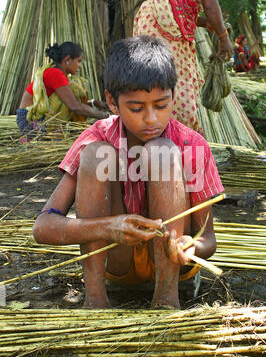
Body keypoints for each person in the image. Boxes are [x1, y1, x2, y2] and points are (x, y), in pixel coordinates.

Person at [33, 36, 224, 310]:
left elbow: (209, 239)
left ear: (173, 95)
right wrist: (109, 227)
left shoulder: (191, 145)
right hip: (117, 264)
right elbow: (43, 227)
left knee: (162, 151)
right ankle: (95, 300)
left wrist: (191, 247)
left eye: (161, 105)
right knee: (96, 154)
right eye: (136, 108)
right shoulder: (97, 136)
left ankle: (166, 300)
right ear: (112, 101)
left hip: (176, 267)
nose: (151, 119)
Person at [133, 0, 233, 132]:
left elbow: (175, 6)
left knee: (148, 84)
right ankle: (179, 142)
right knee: (178, 91)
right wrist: (223, 36)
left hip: (149, 21)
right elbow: (210, 3)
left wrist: (205, 23)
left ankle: (147, 135)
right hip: (169, 35)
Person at [16, 42, 109, 139]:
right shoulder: (55, 74)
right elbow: (74, 106)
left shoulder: (58, 73)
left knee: (73, 89)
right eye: (79, 61)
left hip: (32, 118)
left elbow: (74, 102)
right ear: (68, 59)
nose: (80, 66)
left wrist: (95, 103)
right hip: (28, 120)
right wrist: (105, 116)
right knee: (74, 89)